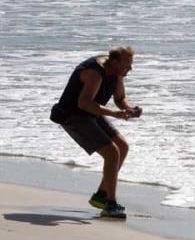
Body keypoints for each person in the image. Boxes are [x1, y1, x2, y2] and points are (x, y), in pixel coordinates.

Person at [50, 46, 141, 219]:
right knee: (112, 152)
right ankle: (110, 204)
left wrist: (129, 109)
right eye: (127, 65)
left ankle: (101, 195)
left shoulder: (117, 72)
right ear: (114, 62)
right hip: (73, 115)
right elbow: (84, 103)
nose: (130, 68)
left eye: (131, 64)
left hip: (92, 113)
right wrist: (114, 113)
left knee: (122, 146)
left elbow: (120, 98)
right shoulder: (95, 72)